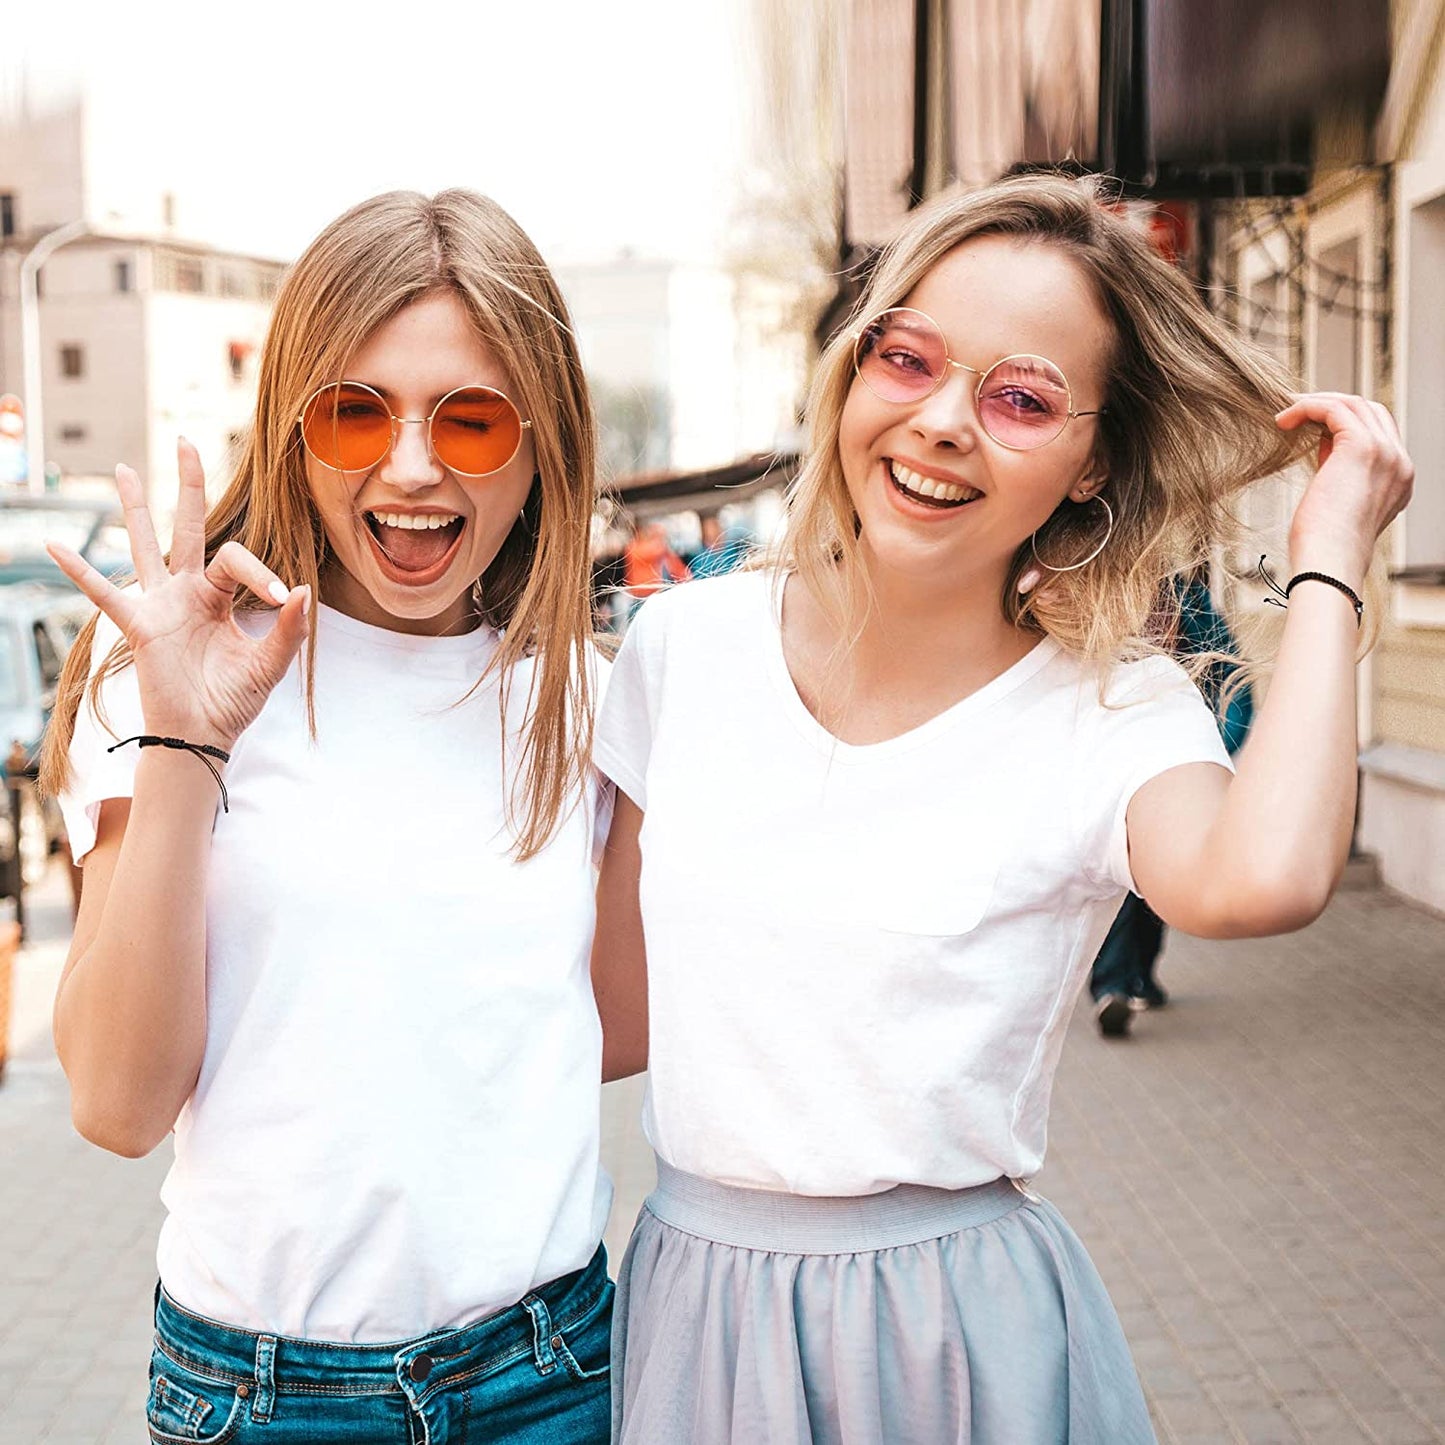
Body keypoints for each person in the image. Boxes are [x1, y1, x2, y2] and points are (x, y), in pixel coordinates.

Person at [589, 173, 1411, 1444]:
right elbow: (602, 1014)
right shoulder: (680, 649)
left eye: (1019, 396)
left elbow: (1265, 878)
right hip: (694, 1314)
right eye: (904, 359)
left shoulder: (1107, 710)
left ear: (1089, 466)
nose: (939, 422)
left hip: (949, 1341)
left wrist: (1329, 554)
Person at [38, 191, 615, 1445]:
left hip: (549, 1370)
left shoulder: (584, 696)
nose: (411, 466)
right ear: (295, 430)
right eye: (356, 411)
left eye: (470, 417)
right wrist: (187, 739)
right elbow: (119, 1105)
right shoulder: (172, 655)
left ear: (542, 444)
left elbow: (613, 1029)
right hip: (261, 1393)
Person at [1091, 571, 1255, 1035]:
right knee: (1127, 880)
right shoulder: (1090, 592)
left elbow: (1234, 681)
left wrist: (1214, 752)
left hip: (1177, 767)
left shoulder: (1191, 602)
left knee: (1157, 886)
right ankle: (1113, 986)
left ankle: (1139, 977)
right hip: (1115, 766)